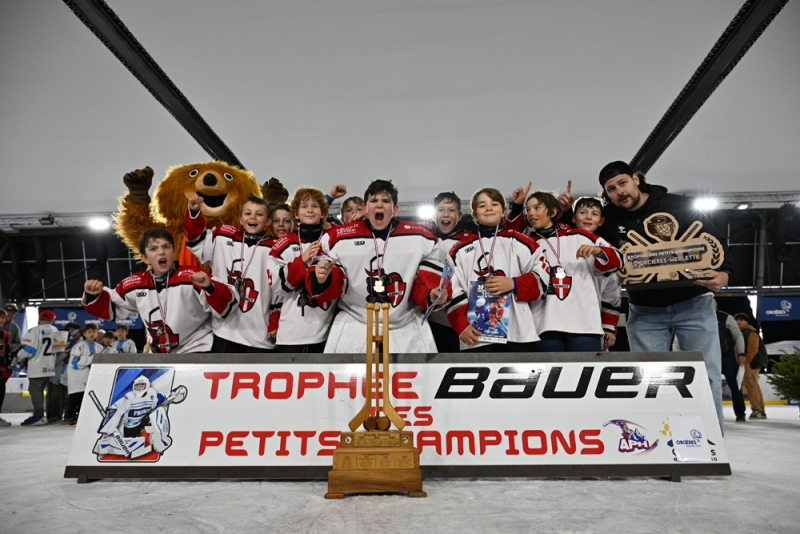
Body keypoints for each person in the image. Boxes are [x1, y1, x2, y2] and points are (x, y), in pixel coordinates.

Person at [593, 161, 734, 432]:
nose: (618, 191)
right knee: (648, 380)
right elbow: (577, 232)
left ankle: (712, 445)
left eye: (622, 183)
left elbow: (715, 241)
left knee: (706, 375)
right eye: (611, 189)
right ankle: (657, 443)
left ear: (636, 179)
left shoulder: (677, 204)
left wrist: (725, 274)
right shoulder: (607, 218)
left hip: (694, 303)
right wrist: (564, 210)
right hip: (644, 309)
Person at [313, 180, 449, 353]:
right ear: (365, 208)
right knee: (346, 378)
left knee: (419, 378)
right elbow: (328, 280)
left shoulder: (422, 237)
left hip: (405, 322)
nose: (379, 205)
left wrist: (432, 294)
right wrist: (322, 278)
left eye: (385, 201)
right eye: (374, 201)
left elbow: (427, 279)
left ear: (395, 209)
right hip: (355, 320)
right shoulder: (337, 237)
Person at [83, 228, 238, 353]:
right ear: (144, 258)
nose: (161, 252)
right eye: (153, 248)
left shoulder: (192, 276)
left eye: (166, 247)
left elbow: (229, 303)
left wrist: (209, 286)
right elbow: (113, 308)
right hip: (160, 355)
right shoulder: (135, 283)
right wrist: (94, 294)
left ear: (174, 252)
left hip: (196, 350)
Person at [447, 188, 549, 352]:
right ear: (474, 215)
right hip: (476, 334)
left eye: (494, 204)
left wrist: (514, 283)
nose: (488, 208)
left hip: (518, 334)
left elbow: (543, 277)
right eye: (482, 205)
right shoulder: (459, 250)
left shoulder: (521, 242)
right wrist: (461, 325)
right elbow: (451, 288)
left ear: (503, 211)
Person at [521, 191, 623, 352]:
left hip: (585, 325)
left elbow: (619, 261)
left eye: (537, 207)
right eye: (528, 209)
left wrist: (598, 251)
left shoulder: (583, 237)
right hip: (544, 326)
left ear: (553, 211)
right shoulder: (526, 245)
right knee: (551, 377)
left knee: (586, 376)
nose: (531, 213)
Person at [186, 193, 279, 353]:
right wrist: (194, 214)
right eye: (248, 213)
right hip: (225, 331)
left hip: (260, 336)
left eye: (259, 214)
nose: (253, 217)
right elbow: (197, 242)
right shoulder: (223, 236)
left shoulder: (276, 248)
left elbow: (280, 292)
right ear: (241, 218)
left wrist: (275, 321)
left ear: (268, 221)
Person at [268, 187, 341, 353]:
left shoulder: (333, 239)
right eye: (304, 206)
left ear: (323, 213)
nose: (309, 210)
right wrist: (301, 261)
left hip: (326, 334)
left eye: (315, 206)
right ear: (295, 213)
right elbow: (277, 285)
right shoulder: (285, 242)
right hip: (291, 334)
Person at [428, 191, 474, 352]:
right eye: (440, 210)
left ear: (460, 215)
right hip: (434, 319)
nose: (446, 214)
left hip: (464, 315)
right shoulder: (424, 238)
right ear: (434, 214)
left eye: (451, 210)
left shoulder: (473, 240)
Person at [18, 309, 59, 426]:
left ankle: (38, 415)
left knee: (35, 391)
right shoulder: (55, 330)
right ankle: (49, 415)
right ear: (52, 320)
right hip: (50, 366)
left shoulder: (34, 330)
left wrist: (17, 357)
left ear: (39, 319)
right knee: (45, 391)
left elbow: (29, 350)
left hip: (36, 367)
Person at [716, 302, 746, 423]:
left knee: (735, 385)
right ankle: (716, 413)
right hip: (710, 356)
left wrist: (742, 353)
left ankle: (740, 413)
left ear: (716, 305)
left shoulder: (726, 317)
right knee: (711, 387)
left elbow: (738, 336)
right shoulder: (700, 316)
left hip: (727, 356)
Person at [66, 323, 101, 425]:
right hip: (78, 376)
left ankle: (84, 417)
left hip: (91, 376)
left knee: (87, 398)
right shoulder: (79, 346)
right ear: (84, 334)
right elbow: (75, 362)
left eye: (94, 332)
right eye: (89, 332)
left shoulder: (99, 347)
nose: (92, 334)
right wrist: (91, 358)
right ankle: (72, 417)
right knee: (76, 396)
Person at [735, 313, 768, 420]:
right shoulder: (742, 332)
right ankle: (760, 410)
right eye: (737, 320)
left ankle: (757, 410)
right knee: (753, 385)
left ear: (746, 321)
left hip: (751, 363)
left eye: (741, 319)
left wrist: (745, 362)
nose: (739, 322)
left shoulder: (750, 332)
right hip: (749, 363)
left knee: (751, 386)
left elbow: (753, 349)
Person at [0, 309, 12, 426]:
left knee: (0, 392)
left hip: (2, 370)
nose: (3, 320)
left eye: (4, 318)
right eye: (1, 317)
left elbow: (6, 351)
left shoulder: (4, 334)